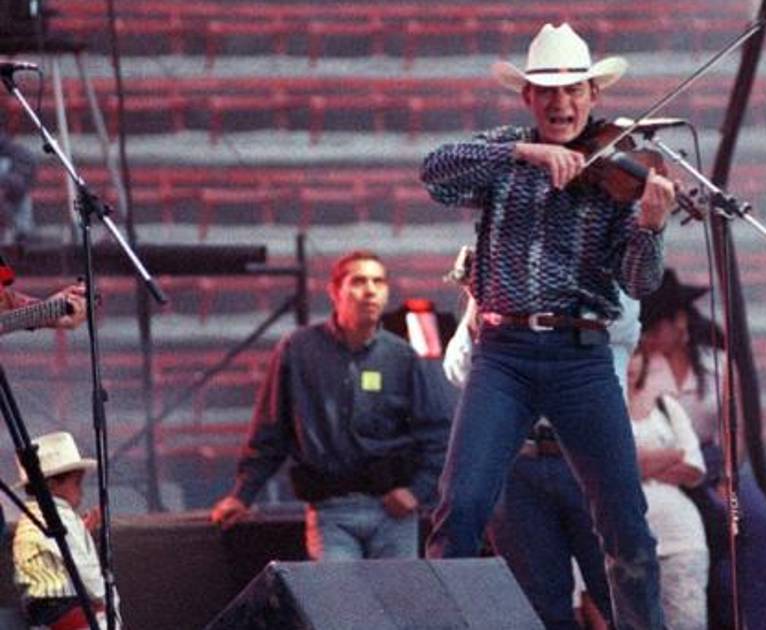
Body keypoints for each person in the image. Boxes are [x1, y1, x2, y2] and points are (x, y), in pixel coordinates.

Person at [420, 22, 674, 629]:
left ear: (593, 95)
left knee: (625, 521)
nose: (561, 104)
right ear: (528, 98)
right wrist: (523, 153)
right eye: (548, 92)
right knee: (461, 506)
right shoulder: (504, 152)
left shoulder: (618, 167)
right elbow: (435, 172)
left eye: (573, 91)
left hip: (580, 355)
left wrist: (651, 228)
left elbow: (638, 281)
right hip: (502, 353)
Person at [209, 250, 453, 560]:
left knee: (397, 591)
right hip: (331, 512)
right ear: (335, 291)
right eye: (358, 281)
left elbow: (438, 434)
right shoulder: (298, 351)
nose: (370, 291)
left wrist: (419, 491)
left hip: (393, 511)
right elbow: (270, 432)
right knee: (338, 590)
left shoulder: (403, 357)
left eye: (378, 282)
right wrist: (241, 496)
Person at [441, 283, 643, 629]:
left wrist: (521, 311)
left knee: (622, 598)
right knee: (540, 608)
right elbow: (459, 369)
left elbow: (612, 324)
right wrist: (482, 305)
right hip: (522, 460)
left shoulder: (602, 275)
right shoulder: (503, 294)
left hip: (585, 459)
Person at [628, 269, 766, 630]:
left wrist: (728, 475)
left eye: (656, 328)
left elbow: (734, 430)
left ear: (678, 321)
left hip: (717, 466)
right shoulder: (642, 369)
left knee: (754, 521)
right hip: (668, 468)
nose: (649, 338)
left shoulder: (717, 363)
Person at [12, 431, 119, 630]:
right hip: (65, 609)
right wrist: (108, 600)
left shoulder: (31, 517)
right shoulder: (59, 519)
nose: (82, 491)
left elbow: (59, 552)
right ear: (51, 485)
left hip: (42, 612)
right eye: (77, 483)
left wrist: (81, 532)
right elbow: (89, 577)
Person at [627, 389, 708, 629]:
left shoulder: (665, 406)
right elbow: (612, 469)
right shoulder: (598, 405)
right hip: (626, 541)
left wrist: (642, 464)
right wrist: (670, 457)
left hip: (680, 537)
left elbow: (693, 467)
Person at [0, 131, 38, 243]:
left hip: (11, 197)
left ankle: (21, 235)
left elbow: (21, 179)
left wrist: (5, 186)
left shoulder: (14, 152)